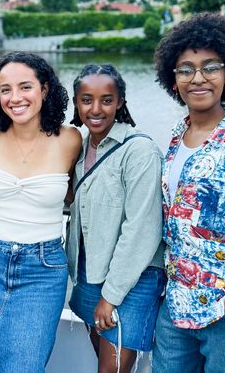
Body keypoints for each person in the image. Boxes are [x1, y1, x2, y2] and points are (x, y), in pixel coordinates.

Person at [0, 52, 81, 373]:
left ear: (44, 89)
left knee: (26, 366)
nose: (15, 98)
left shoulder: (71, 139)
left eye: (25, 87)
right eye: (5, 89)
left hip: (42, 270)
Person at [152, 12, 225, 372]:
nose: (198, 78)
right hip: (175, 306)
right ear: (173, 80)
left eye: (210, 67)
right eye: (185, 69)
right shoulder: (177, 137)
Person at [66, 63, 166, 373]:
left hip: (131, 281)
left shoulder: (139, 151)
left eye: (106, 100)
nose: (96, 109)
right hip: (90, 275)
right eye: (86, 99)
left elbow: (141, 229)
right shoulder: (78, 149)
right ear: (76, 102)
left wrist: (110, 297)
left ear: (120, 102)